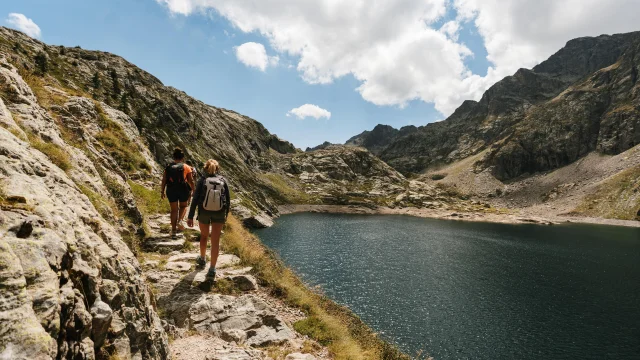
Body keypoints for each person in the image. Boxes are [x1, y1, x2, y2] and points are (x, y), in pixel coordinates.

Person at [187, 159, 231, 279]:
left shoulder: (202, 180)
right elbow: (228, 199)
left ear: (205, 168)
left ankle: (202, 259)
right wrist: (225, 215)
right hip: (219, 213)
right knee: (215, 241)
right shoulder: (223, 180)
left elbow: (195, 199)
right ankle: (212, 269)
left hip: (204, 212)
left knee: (204, 236)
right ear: (217, 169)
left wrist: (190, 216)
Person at [160, 148, 195, 238]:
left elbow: (164, 180)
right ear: (182, 158)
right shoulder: (186, 167)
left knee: (174, 210)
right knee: (183, 206)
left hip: (171, 189)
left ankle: (173, 231)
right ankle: (180, 220)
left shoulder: (168, 167)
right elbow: (191, 181)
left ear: (174, 157)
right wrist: (194, 190)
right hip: (183, 189)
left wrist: (162, 191)